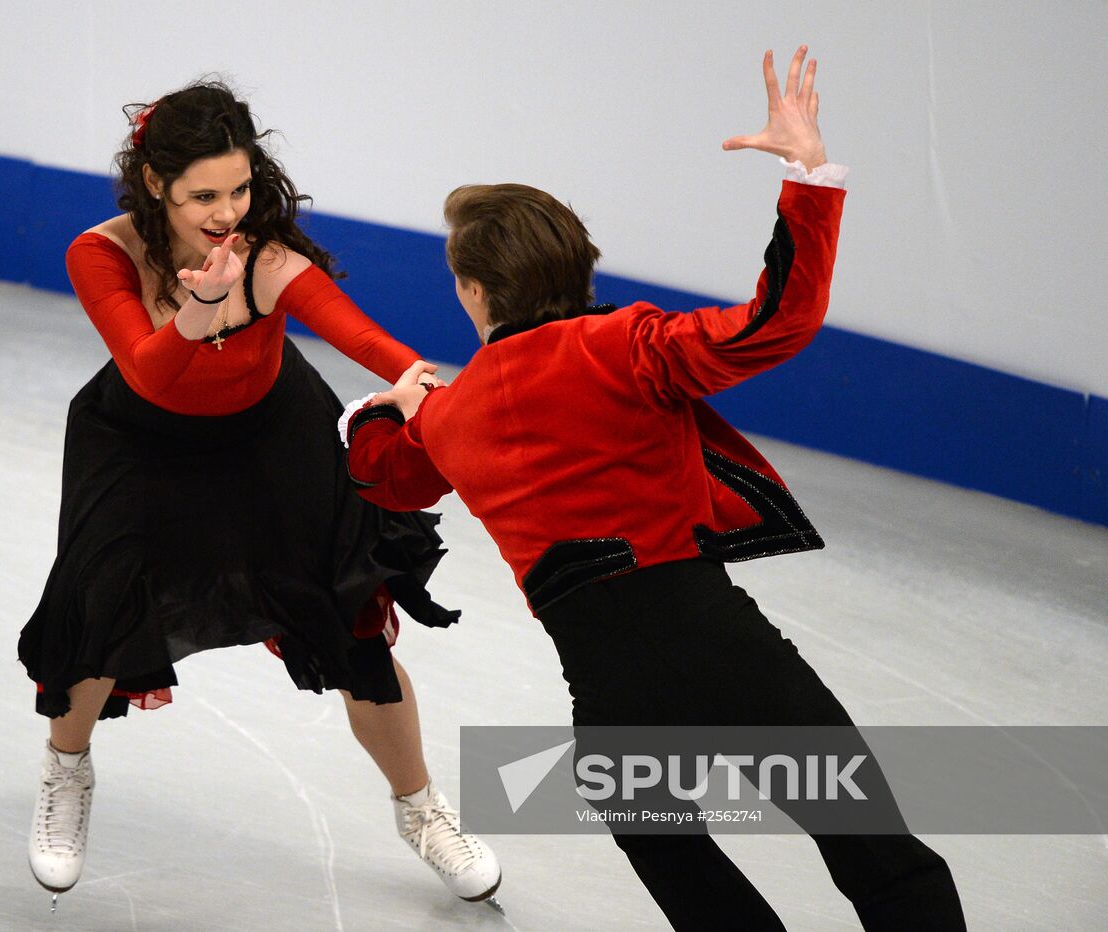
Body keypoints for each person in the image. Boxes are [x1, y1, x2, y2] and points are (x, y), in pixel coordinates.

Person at [342, 47, 966, 929]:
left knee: (667, 848)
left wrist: (383, 409)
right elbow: (777, 320)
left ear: (474, 291)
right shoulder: (628, 345)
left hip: (609, 683)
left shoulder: (450, 416)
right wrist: (807, 175)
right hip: (723, 646)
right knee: (875, 849)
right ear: (577, 269)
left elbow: (385, 477)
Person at [16, 80, 500, 905]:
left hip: (273, 436)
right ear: (156, 183)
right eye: (203, 194)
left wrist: (420, 379)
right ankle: (68, 773)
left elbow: (350, 327)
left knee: (350, 627)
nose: (226, 211)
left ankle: (421, 811)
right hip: (140, 444)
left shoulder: (264, 254)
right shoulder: (102, 254)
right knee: (98, 615)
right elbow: (151, 371)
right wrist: (201, 305)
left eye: (239, 188)